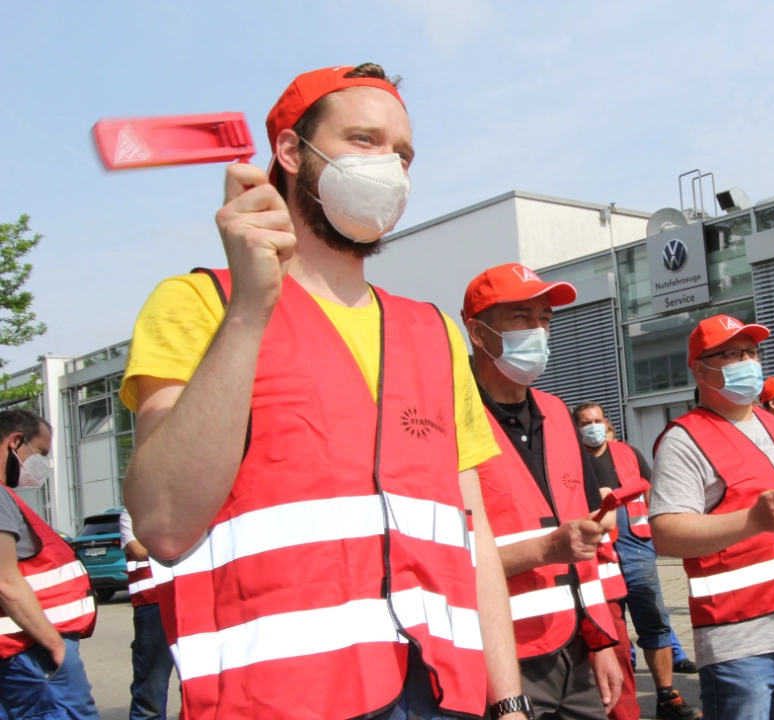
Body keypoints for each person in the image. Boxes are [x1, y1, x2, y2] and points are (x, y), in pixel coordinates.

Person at [122, 65, 528, 720]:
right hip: (278, 702)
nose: (390, 168)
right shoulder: (200, 303)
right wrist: (252, 308)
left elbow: (469, 534)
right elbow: (164, 523)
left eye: (403, 153)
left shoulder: (431, 332)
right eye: (365, 140)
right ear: (289, 152)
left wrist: (509, 701)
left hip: (441, 695)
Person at [649, 315, 774, 720]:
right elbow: (666, 534)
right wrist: (750, 521)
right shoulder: (683, 440)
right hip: (742, 642)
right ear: (700, 367)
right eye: (733, 354)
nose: (749, 362)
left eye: (753, 352)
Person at [464, 264, 623, 719]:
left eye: (545, 319)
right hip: (500, 655)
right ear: (477, 332)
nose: (538, 331)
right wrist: (543, 549)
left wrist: (602, 642)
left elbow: (587, 545)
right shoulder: (451, 416)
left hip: (575, 648)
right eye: (521, 317)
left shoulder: (556, 413)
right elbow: (443, 559)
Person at [574, 404, 702, 720]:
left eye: (597, 421)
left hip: (637, 550)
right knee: (608, 632)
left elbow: (654, 492)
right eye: (585, 423)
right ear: (576, 428)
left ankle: (666, 696)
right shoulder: (571, 459)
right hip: (597, 554)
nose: (593, 427)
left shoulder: (628, 453)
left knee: (655, 623)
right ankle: (617, 702)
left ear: (607, 423)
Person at [0, 409, 99, 720]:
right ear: (16, 442)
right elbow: (5, 582)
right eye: (40, 453)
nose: (42, 465)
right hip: (32, 651)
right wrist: (56, 648)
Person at [118, 508, 172, 720]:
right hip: (152, 603)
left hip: (188, 599)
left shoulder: (185, 505)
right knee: (152, 684)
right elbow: (139, 550)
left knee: (196, 682)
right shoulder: (132, 511)